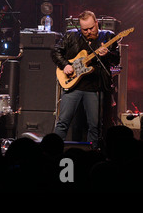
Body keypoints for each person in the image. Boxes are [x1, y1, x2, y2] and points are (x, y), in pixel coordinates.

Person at [51, 10, 120, 149]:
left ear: (96, 23)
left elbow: (116, 60)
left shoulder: (107, 37)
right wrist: (65, 65)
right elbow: (55, 52)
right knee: (63, 122)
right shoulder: (71, 36)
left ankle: (92, 154)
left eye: (91, 28)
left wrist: (107, 54)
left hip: (94, 88)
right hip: (72, 86)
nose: (88, 32)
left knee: (94, 126)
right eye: (85, 30)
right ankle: (52, 152)